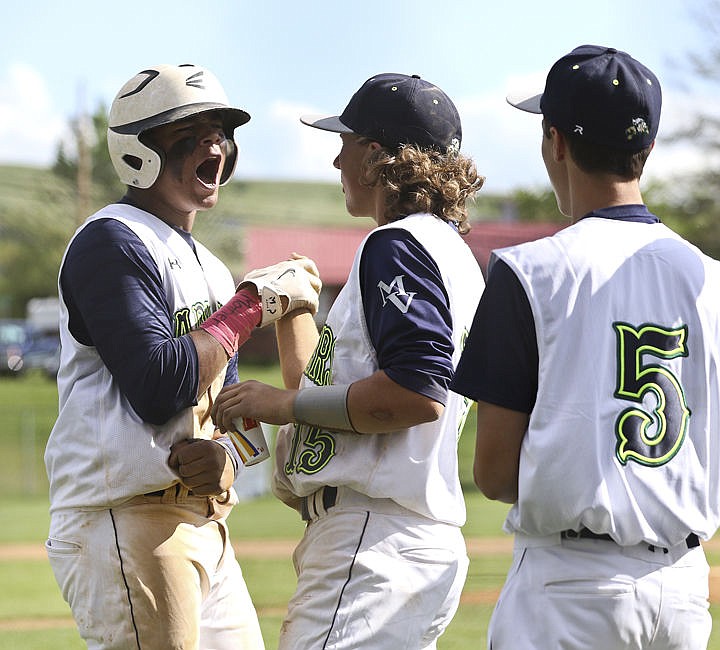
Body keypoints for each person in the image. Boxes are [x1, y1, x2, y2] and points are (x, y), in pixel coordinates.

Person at [43, 63, 321, 650]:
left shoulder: (213, 269)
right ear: (138, 151)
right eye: (189, 132)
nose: (214, 143)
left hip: (203, 522)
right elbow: (160, 385)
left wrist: (226, 456)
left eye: (221, 131)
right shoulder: (111, 239)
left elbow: (234, 411)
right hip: (125, 515)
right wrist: (252, 307)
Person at [450, 44, 720, 649]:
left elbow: (493, 473)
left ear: (556, 143)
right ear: (645, 149)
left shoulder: (527, 272)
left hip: (568, 586)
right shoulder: (712, 279)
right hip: (682, 589)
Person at [211, 73, 486, 648]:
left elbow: (414, 393)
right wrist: (295, 311)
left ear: (377, 157)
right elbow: (334, 397)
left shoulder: (397, 244)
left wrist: (279, 404)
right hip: (396, 538)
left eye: (348, 142)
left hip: (373, 540)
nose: (337, 159)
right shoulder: (449, 251)